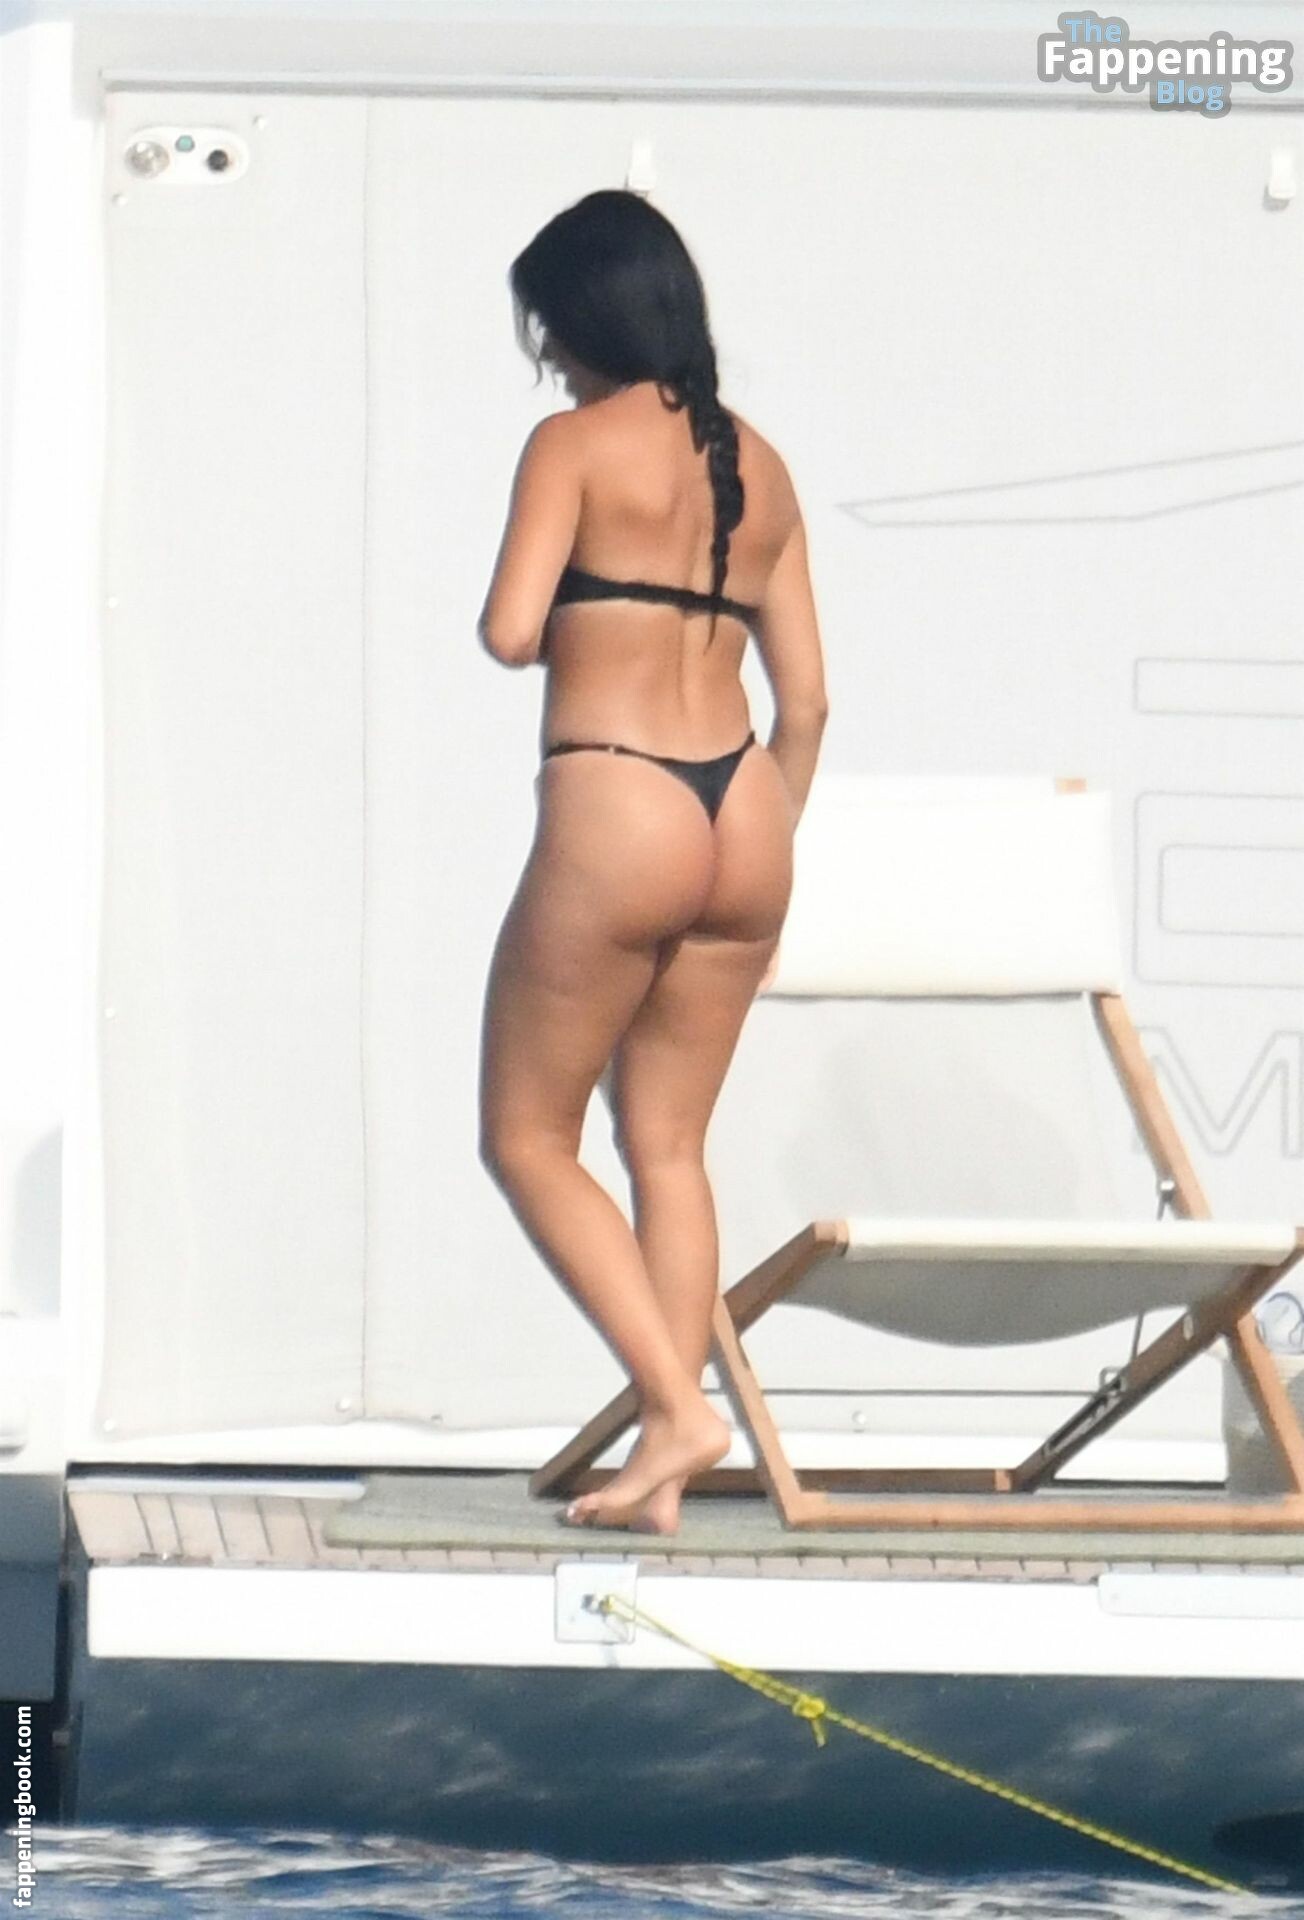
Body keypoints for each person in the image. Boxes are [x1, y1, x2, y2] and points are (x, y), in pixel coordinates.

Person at [477, 189, 828, 1533]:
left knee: (528, 1135)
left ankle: (676, 1412)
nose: (546, 356)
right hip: (746, 815)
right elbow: (810, 704)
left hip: (621, 798)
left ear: (587, 319)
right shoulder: (765, 467)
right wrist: (768, 864)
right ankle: (662, 1466)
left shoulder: (570, 445)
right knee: (669, 1146)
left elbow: (512, 631)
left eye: (547, 329)